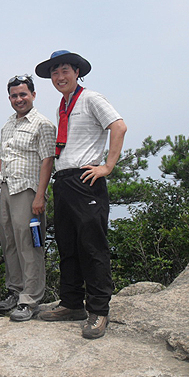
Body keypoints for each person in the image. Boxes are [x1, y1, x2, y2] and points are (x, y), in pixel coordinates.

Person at [34, 50, 128, 339]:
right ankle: (72, 303)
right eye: (54, 73)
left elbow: (119, 126)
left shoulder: (90, 98)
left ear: (77, 72)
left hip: (85, 179)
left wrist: (107, 166)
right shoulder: (64, 105)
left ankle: (99, 310)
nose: (59, 77)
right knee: (68, 244)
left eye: (64, 71)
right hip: (63, 181)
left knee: (92, 246)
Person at [0, 74, 56, 322]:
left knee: (29, 243)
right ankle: (15, 291)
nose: (19, 99)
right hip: (6, 188)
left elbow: (48, 160)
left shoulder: (42, 124)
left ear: (33, 95)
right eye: (14, 95)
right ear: (9, 98)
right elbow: (2, 159)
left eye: (23, 94)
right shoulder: (8, 125)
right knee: (10, 243)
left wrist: (40, 196)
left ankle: (30, 299)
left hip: (28, 191)